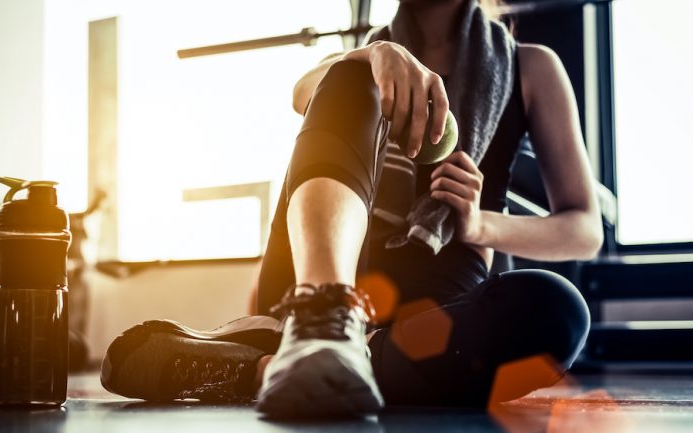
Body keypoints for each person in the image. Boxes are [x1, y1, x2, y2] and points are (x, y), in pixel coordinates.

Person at [100, 0, 601, 417]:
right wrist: (374, 54)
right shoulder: (359, 61)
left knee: (556, 312)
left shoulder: (530, 65)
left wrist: (479, 223)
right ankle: (324, 321)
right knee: (348, 73)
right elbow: (301, 92)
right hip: (318, 277)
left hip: (436, 305)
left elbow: (583, 228)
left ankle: (268, 368)